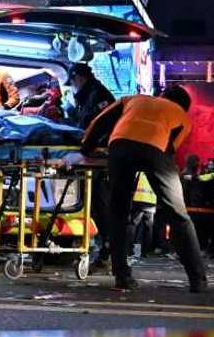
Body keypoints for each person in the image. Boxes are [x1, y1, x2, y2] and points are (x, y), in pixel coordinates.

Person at [81, 85, 207, 292]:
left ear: (161, 96)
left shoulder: (133, 99)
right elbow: (171, 148)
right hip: (156, 151)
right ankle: (197, 279)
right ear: (184, 107)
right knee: (178, 215)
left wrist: (86, 149)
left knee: (118, 212)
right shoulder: (183, 118)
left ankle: (122, 276)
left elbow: (99, 122)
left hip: (119, 146)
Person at [66, 62, 117, 268]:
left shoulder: (98, 96)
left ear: (79, 77)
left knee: (100, 205)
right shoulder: (88, 96)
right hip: (92, 155)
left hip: (99, 158)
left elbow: (99, 126)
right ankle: (100, 246)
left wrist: (85, 149)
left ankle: (107, 248)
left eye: (72, 81)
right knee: (93, 204)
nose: (72, 85)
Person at [130, 171, 157, 260]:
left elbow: (132, 184)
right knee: (148, 228)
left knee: (134, 226)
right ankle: (146, 252)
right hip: (151, 201)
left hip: (139, 200)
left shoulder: (139, 172)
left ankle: (133, 251)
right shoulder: (155, 172)